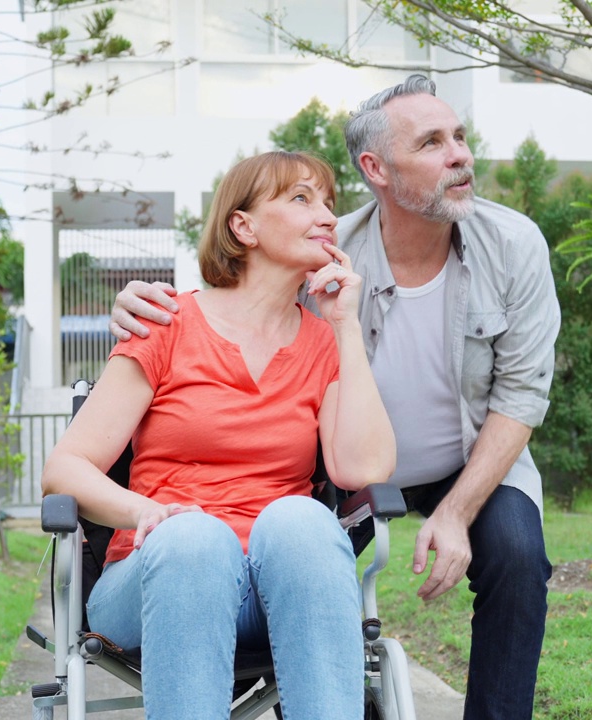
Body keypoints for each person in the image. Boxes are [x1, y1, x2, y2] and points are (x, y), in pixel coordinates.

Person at [111, 75, 561, 719]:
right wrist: (133, 305)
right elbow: (232, 299)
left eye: (458, 137)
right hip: (347, 472)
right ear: (376, 168)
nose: (459, 154)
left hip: (474, 458)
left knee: (518, 559)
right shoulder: (324, 247)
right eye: (432, 142)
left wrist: (458, 512)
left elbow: (521, 394)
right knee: (298, 548)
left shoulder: (513, 245)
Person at [42, 151, 396, 720]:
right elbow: (65, 468)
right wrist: (148, 514)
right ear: (243, 225)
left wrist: (346, 326)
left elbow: (364, 470)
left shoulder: (324, 342)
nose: (328, 215)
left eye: (329, 201)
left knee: (303, 518)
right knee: (196, 540)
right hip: (158, 576)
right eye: (302, 199)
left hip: (275, 586)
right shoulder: (165, 324)